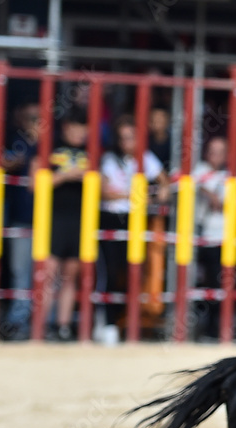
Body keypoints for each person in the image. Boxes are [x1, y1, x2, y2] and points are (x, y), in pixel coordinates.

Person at [98, 115, 168, 344]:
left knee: (134, 272)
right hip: (111, 218)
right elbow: (103, 191)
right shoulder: (109, 159)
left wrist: (155, 195)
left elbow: (164, 183)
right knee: (111, 271)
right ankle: (107, 322)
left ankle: (129, 323)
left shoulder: (145, 158)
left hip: (136, 219)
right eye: (124, 138)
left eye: (132, 137)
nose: (128, 142)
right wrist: (136, 194)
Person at [32, 108, 89, 342]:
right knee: (47, 273)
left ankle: (63, 326)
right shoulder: (50, 148)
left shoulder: (92, 152)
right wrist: (65, 176)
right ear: (66, 127)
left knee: (70, 276)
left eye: (83, 128)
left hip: (79, 219)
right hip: (53, 218)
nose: (79, 133)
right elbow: (34, 184)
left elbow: (104, 187)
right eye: (75, 127)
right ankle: (40, 326)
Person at [0, 101, 39, 340]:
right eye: (30, 119)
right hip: (21, 219)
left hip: (50, 221)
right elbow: (3, 162)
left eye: (38, 118)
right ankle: (17, 322)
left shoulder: (54, 145)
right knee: (19, 272)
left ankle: (46, 324)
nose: (34, 124)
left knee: (46, 275)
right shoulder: (17, 143)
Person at [192, 136, 230, 341]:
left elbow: (232, 204)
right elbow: (198, 184)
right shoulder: (200, 170)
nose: (216, 155)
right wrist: (213, 196)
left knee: (217, 283)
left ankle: (213, 330)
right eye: (213, 151)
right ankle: (199, 328)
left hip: (222, 238)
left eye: (221, 151)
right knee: (198, 283)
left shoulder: (229, 176)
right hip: (200, 236)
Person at [148, 107, 172, 172]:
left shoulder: (174, 143)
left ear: (167, 121)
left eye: (159, 120)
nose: (156, 124)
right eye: (153, 120)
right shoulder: (145, 143)